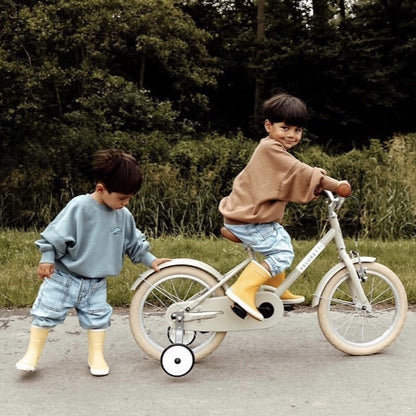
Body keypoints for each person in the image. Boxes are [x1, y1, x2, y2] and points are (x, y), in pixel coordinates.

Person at [16, 149, 170, 376]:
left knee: (98, 319)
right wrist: (47, 258)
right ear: (101, 189)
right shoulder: (79, 207)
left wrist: (151, 260)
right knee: (46, 313)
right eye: (121, 198)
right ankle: (32, 354)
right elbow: (56, 235)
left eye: (129, 198)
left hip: (96, 283)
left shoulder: (123, 215)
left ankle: (95, 355)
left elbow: (133, 242)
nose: (125, 203)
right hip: (63, 277)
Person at [219, 93, 351, 321]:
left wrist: (317, 188)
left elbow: (289, 178)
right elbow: (300, 171)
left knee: (281, 240)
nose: (291, 135)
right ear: (268, 126)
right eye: (285, 127)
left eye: (297, 130)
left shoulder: (272, 149)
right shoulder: (270, 149)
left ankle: (274, 290)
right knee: (282, 252)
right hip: (247, 219)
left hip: (249, 217)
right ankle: (242, 290)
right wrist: (335, 185)